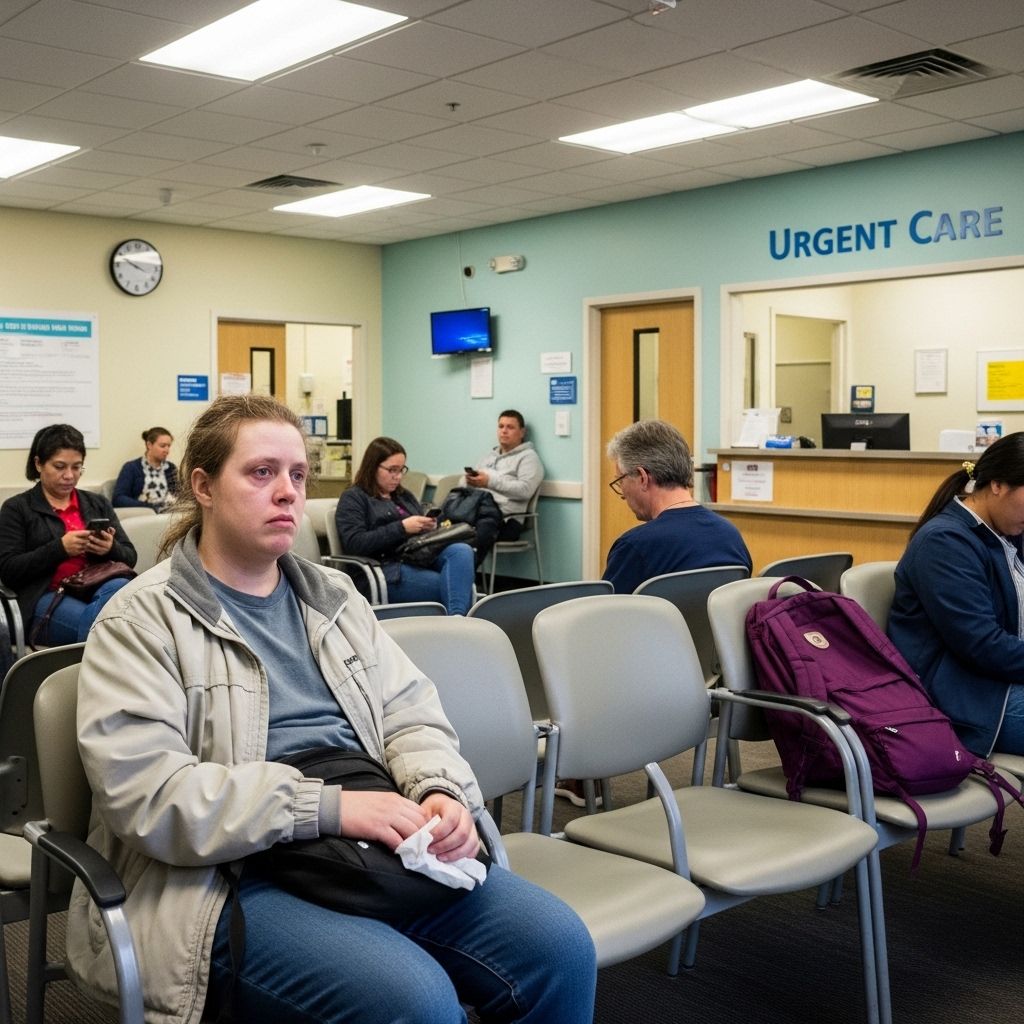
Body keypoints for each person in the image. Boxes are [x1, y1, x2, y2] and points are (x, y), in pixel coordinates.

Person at [71, 394, 596, 1024]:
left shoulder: (333, 595)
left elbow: (410, 713)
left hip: (370, 839)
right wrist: (327, 808)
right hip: (229, 871)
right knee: (416, 1002)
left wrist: (437, 789)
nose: (288, 492)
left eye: (297, 474)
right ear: (204, 487)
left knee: (560, 948)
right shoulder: (140, 621)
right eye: (261, 472)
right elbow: (149, 795)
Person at [889, 433, 1024, 757]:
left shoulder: (1007, 532)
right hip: (967, 699)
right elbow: (983, 645)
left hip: (999, 680)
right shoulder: (945, 542)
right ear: (997, 485)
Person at [0, 423, 137, 645]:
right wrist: (60, 549)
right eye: (60, 466)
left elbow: (130, 556)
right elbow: (8, 570)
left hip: (96, 586)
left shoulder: (97, 503)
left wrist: (110, 548)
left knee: (120, 589)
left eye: (77, 467)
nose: (69, 476)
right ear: (38, 464)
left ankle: (96, 655)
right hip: (46, 596)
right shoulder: (17, 508)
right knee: (109, 628)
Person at [601, 419, 752, 594]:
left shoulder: (634, 547)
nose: (622, 494)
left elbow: (605, 610)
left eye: (621, 480)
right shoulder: (730, 535)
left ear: (643, 477)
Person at [337, 437, 475, 614]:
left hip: (415, 558)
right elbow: (355, 543)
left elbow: (418, 531)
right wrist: (402, 528)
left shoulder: (403, 495)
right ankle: (458, 621)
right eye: (392, 470)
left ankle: (457, 620)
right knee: (455, 588)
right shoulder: (354, 497)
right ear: (372, 467)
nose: (398, 476)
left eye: (401, 470)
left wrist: (428, 526)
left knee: (461, 550)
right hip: (384, 569)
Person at [464, 410, 544, 566]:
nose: (504, 431)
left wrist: (489, 482)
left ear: (522, 432)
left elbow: (525, 490)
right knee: (446, 528)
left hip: (507, 519)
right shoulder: (489, 457)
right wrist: (469, 481)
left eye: (510, 427)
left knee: (471, 536)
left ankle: (463, 575)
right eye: (501, 426)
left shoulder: (529, 458)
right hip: (477, 511)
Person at [113, 426, 178, 511]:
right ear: (149, 445)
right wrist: (149, 507)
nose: (167, 450)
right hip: (143, 513)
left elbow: (179, 494)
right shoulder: (131, 468)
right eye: (162, 446)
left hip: (168, 513)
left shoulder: (171, 468)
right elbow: (118, 499)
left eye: (169, 446)